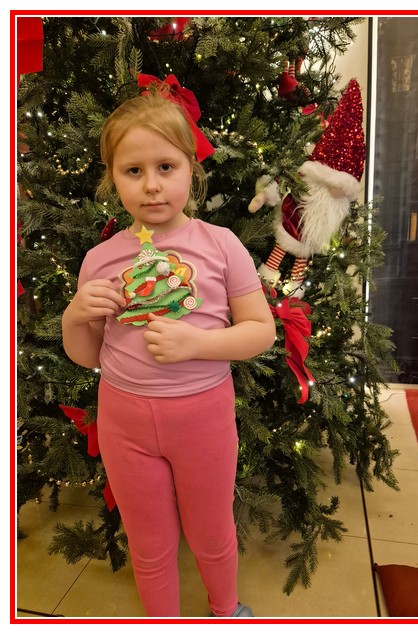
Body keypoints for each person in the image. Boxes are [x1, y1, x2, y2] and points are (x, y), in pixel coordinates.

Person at [62, 91, 276, 617]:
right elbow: (86, 355)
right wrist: (74, 316)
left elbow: (261, 331)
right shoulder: (100, 259)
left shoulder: (221, 244)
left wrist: (197, 344)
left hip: (202, 416)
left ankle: (225, 611)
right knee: (149, 541)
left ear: (191, 170)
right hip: (124, 420)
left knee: (211, 531)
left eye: (166, 167)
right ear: (112, 178)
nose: (152, 185)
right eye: (133, 170)